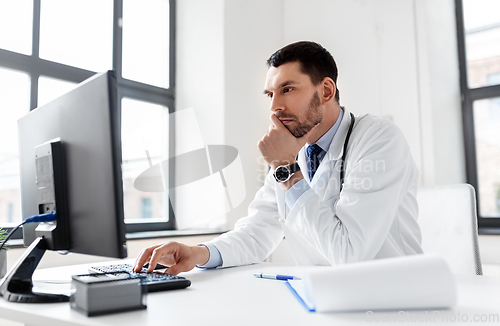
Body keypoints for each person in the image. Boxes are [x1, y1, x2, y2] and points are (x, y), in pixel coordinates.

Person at [133, 41, 423, 275]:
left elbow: (350, 253)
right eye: (270, 94)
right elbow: (256, 233)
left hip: (395, 302)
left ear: (325, 90)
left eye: (287, 89)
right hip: (327, 298)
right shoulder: (295, 153)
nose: (274, 108)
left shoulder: (378, 139)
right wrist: (199, 252)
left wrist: (286, 169)